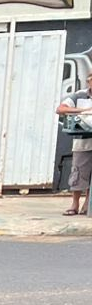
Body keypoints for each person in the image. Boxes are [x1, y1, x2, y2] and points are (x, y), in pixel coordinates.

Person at [55, 84, 92, 217]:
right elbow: (60, 109)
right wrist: (84, 111)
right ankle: (74, 204)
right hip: (82, 142)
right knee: (78, 174)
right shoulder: (79, 95)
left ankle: (87, 204)